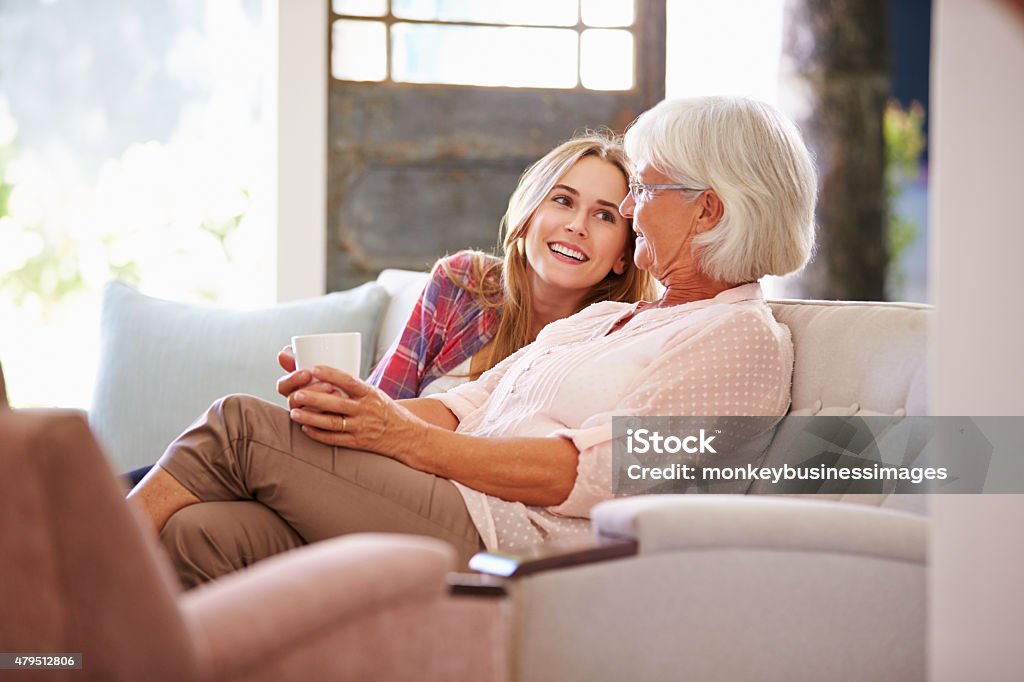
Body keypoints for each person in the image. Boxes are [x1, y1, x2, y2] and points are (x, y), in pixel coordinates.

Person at [129, 96, 818, 588]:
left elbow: (587, 475)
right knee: (202, 535)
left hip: (515, 543)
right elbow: (468, 406)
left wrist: (398, 440)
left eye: (643, 188)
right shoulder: (614, 319)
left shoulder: (740, 339)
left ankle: (44, 592)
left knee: (238, 426)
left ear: (709, 208)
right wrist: (361, 412)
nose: (632, 208)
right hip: (455, 502)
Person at [369, 131, 655, 399]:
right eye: (563, 200)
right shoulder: (462, 282)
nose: (577, 226)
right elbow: (381, 403)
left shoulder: (625, 342)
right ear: (529, 214)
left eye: (604, 216)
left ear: (624, 255)